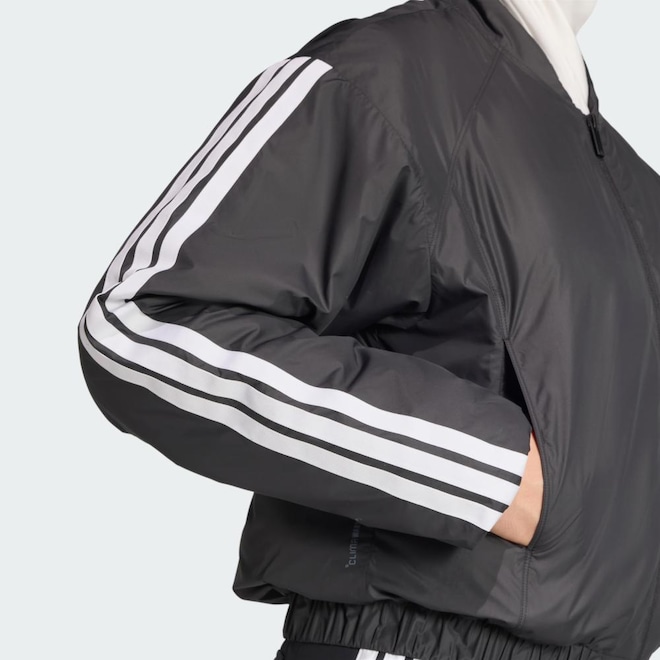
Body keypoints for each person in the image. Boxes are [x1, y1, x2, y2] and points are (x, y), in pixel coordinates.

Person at [76, 0, 660, 659]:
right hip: (414, 637)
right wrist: (492, 475)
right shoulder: (389, 75)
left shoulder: (630, 183)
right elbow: (141, 322)